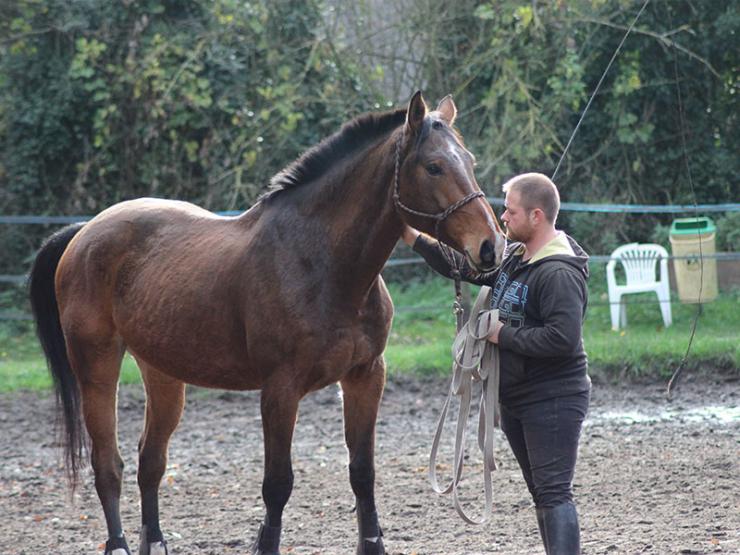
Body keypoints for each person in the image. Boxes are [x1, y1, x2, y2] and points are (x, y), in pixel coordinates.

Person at [402, 172, 590, 555]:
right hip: (517, 395)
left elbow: (562, 338)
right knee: (542, 492)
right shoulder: (516, 256)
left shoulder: (557, 273)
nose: (502, 218)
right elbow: (468, 267)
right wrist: (414, 238)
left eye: (510, 211)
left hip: (552, 397)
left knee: (554, 493)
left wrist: (500, 335)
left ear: (536, 216)